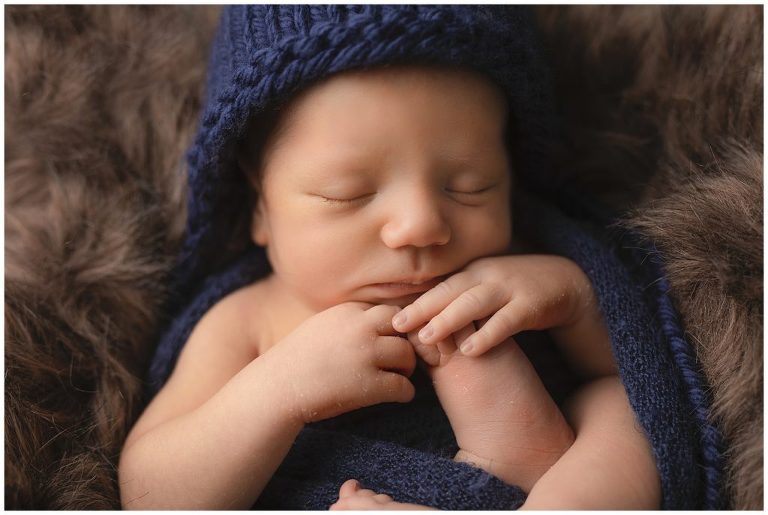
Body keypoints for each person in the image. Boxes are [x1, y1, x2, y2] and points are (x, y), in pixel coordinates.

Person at [119, 6, 660, 510]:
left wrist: (575, 300)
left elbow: (639, 369)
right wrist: (276, 392)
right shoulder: (249, 322)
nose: (422, 224)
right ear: (259, 208)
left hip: (553, 478)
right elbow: (152, 493)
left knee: (627, 414)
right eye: (348, 194)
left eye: (471, 186)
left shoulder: (523, 273)